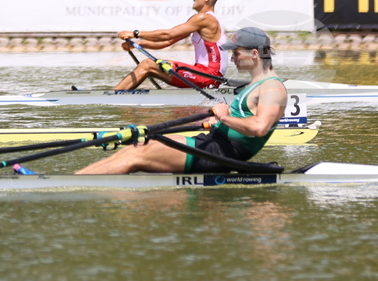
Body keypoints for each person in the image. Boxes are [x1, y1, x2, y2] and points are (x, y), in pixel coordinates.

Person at [76, 27, 287, 175]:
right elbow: (244, 119)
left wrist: (224, 117)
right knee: (140, 143)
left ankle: (74, 185)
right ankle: (77, 179)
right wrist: (221, 120)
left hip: (220, 154)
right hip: (213, 143)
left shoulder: (272, 87)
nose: (232, 58)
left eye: (236, 53)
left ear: (254, 53)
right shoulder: (256, 84)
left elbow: (259, 127)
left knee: (138, 153)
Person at [113, 0, 225, 90]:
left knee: (147, 64)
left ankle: (111, 96)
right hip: (204, 73)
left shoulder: (204, 18)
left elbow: (168, 34)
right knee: (150, 65)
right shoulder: (202, 19)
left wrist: (135, 33)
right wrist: (138, 44)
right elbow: (167, 42)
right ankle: (118, 94)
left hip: (209, 76)